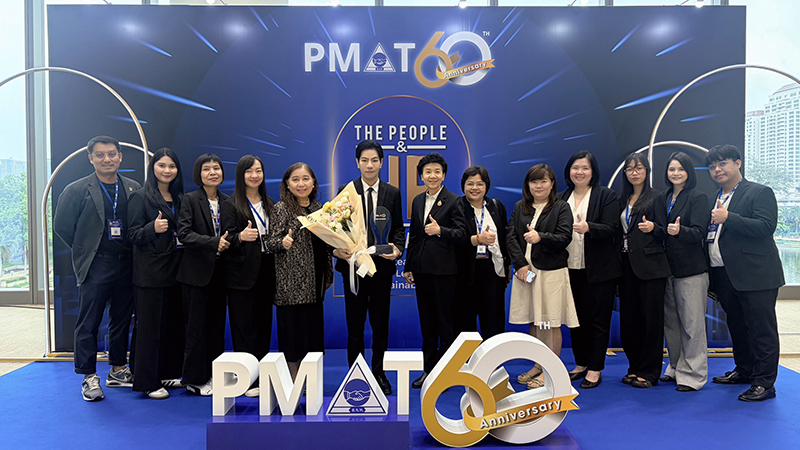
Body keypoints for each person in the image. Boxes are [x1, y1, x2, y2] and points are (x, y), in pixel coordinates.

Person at [53, 135, 140, 402]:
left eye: (112, 154)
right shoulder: (76, 190)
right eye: (100, 155)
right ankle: (88, 376)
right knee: (88, 322)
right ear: (91, 158)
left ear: (120, 157)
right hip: (96, 263)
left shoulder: (133, 187)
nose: (107, 159)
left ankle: (118, 369)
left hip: (127, 262)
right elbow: (62, 227)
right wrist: (86, 248)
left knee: (121, 319)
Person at [705, 144, 784, 402]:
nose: (717, 169)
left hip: (756, 275)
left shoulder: (759, 192)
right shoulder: (713, 197)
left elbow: (765, 226)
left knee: (761, 330)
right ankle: (744, 370)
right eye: (712, 166)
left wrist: (729, 217)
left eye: (723, 163)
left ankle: (764, 383)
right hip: (724, 274)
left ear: (738, 163)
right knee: (737, 327)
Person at [332, 140, 404, 396]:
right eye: (365, 160)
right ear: (357, 162)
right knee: (355, 325)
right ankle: (356, 373)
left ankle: (378, 372)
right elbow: (336, 228)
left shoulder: (392, 192)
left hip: (381, 269)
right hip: (354, 268)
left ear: (381, 163)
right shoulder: (346, 190)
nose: (370, 165)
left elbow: (398, 228)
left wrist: (398, 249)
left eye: (374, 160)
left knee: (380, 325)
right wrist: (337, 250)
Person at [507, 164, 577, 389]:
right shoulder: (520, 207)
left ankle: (551, 370)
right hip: (526, 273)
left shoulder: (561, 207)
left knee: (549, 321)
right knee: (535, 320)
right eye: (534, 181)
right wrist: (520, 264)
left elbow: (564, 237)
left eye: (543, 181)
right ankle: (538, 364)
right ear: (528, 185)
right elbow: (510, 237)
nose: (538, 186)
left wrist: (541, 237)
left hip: (550, 273)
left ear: (552, 183)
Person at [403, 152, 467, 389]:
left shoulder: (455, 200)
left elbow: (462, 234)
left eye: (437, 172)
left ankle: (447, 373)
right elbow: (414, 236)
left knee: (445, 324)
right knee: (427, 324)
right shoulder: (418, 200)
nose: (432, 176)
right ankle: (428, 370)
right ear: (421, 176)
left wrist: (441, 231)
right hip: (422, 271)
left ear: (444, 175)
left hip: (444, 272)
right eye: (428, 172)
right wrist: (409, 266)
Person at [558, 152, 621, 389]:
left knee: (598, 321)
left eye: (585, 168)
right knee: (575, 320)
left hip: (599, 270)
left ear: (593, 171)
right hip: (569, 269)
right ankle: (581, 363)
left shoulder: (605, 195)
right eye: (575, 167)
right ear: (569, 171)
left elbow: (612, 228)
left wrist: (589, 227)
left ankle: (595, 368)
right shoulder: (561, 197)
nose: (580, 172)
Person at [128, 147, 186, 399]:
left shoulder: (181, 198)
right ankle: (147, 381)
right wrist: (152, 228)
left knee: (172, 325)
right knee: (149, 328)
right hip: (150, 274)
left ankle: (168, 373)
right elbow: (132, 234)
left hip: (177, 271)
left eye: (172, 166)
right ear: (153, 168)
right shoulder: (140, 197)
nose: (167, 170)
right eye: (162, 165)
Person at [266, 162, 332, 382]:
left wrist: (328, 274)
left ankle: (310, 380)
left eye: (305, 179)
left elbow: (326, 245)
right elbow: (270, 242)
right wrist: (282, 243)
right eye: (295, 179)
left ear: (313, 183)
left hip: (315, 284)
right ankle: (294, 381)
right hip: (290, 285)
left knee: (312, 334)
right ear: (287, 184)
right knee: (292, 336)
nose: (301, 184)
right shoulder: (281, 208)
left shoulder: (319, 208)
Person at [220, 155, 276, 396]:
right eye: (249, 171)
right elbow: (225, 239)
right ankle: (247, 379)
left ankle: (262, 375)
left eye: (258, 171)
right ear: (241, 175)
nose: (254, 175)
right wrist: (240, 237)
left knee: (264, 325)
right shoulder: (231, 204)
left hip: (267, 270)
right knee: (243, 326)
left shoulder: (269, 203)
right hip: (241, 274)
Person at [176, 153, 230, 396]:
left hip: (221, 275)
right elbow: (184, 234)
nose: (212, 173)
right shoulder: (189, 200)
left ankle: (215, 374)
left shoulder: (227, 201)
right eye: (207, 169)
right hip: (195, 275)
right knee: (196, 329)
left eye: (216, 168)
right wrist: (213, 242)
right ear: (198, 174)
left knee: (216, 328)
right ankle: (194, 379)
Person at [655, 152, 710, 392]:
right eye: (671, 169)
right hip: (666, 269)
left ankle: (694, 375)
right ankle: (676, 366)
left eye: (680, 169)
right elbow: (662, 230)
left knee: (692, 324)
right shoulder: (664, 197)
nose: (675, 173)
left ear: (689, 172)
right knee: (672, 323)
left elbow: (699, 232)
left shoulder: (698, 197)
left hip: (691, 271)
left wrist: (680, 231)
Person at [617, 153, 671, 389]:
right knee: (630, 320)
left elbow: (666, 231)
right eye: (630, 169)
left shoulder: (658, 197)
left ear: (647, 171)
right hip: (625, 266)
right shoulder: (622, 199)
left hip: (651, 267)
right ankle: (634, 366)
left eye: (639, 168)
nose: (634, 173)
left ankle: (649, 371)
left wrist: (653, 227)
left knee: (651, 321)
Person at [454, 166, 510, 340]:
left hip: (493, 274)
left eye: (479, 184)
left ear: (486, 186)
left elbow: (505, 239)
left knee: (493, 323)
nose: (475, 188)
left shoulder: (496, 206)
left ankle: (492, 357)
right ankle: (467, 358)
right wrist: (478, 239)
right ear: (463, 186)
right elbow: (454, 239)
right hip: (465, 275)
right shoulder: (456, 207)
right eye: (470, 183)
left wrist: (507, 267)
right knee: (464, 326)